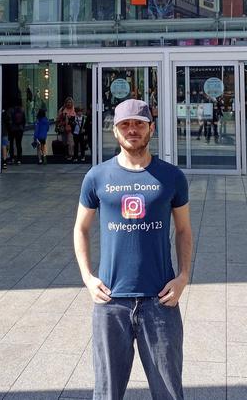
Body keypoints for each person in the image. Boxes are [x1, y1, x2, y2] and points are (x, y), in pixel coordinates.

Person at [74, 99, 192, 400]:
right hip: (111, 301)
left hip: (160, 300)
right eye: (125, 124)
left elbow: (183, 230)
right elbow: (81, 228)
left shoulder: (172, 177)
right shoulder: (97, 177)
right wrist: (87, 277)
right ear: (115, 131)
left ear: (151, 128)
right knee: (107, 392)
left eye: (139, 123)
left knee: (169, 391)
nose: (132, 130)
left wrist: (183, 277)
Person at [57, 96, 77, 161]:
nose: (69, 104)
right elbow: (58, 118)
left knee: (71, 142)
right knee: (64, 142)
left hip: (71, 129)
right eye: (68, 102)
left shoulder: (74, 110)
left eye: (70, 102)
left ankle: (71, 154)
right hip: (63, 127)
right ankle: (66, 154)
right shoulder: (62, 109)